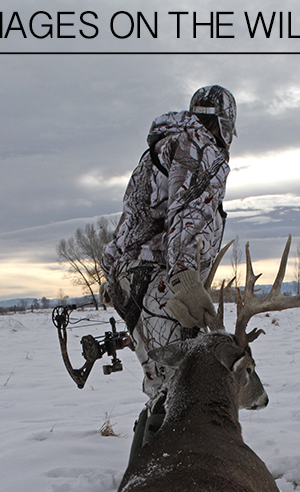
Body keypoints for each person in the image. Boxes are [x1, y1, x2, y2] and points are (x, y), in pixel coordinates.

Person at [102, 85, 236, 456]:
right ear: (224, 125)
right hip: (161, 283)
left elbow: (133, 220)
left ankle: (145, 480)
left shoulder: (158, 151)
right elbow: (187, 220)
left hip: (130, 278)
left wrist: (115, 277)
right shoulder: (202, 148)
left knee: (159, 384)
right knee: (177, 387)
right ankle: (159, 487)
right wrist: (185, 281)